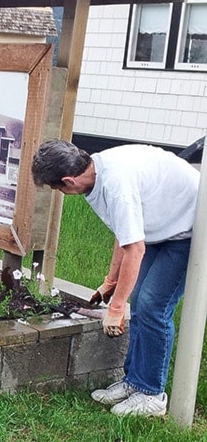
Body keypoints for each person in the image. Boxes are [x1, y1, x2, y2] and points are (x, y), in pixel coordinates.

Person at [31, 139, 199, 417]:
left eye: (55, 188)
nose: (58, 193)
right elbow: (125, 233)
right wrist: (111, 282)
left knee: (153, 305)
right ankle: (134, 382)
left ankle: (152, 394)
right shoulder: (98, 169)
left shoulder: (116, 184)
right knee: (140, 300)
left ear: (68, 181)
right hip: (163, 224)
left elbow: (135, 249)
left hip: (191, 229)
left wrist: (116, 309)